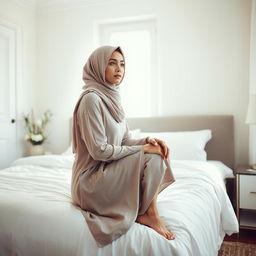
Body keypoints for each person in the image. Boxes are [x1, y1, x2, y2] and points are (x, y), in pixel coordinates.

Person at [71, 45, 176, 247]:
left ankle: (147, 211)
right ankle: (150, 213)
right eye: (111, 63)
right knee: (150, 156)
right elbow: (99, 150)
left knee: (158, 152)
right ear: (98, 66)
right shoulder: (91, 99)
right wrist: (142, 150)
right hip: (90, 182)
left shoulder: (113, 97)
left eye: (122, 64)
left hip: (107, 171)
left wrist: (147, 142)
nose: (119, 68)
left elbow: (125, 140)